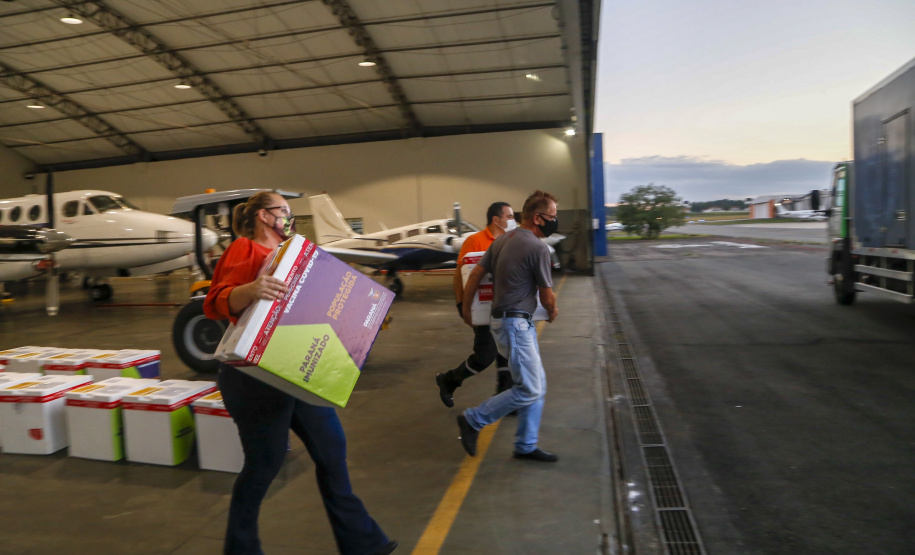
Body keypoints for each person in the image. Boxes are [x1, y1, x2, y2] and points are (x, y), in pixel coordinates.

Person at [203, 191, 396, 555]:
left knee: (332, 450)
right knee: (264, 465)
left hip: (295, 371)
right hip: (255, 379)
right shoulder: (247, 249)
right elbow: (216, 302)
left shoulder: (296, 256)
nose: (289, 217)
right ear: (263, 215)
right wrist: (251, 289)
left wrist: (363, 316)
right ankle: (240, 549)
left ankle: (362, 542)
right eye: (284, 211)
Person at [456, 190, 560, 463]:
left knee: (537, 384)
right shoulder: (538, 248)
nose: (554, 221)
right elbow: (547, 295)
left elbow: (475, 273)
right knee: (529, 389)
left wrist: (467, 309)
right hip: (516, 325)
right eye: (552, 216)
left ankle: (525, 445)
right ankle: (473, 419)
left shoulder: (502, 240)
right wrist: (553, 311)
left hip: (502, 322)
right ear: (538, 218)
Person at [435, 202, 515, 408]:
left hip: (504, 307)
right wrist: (462, 304)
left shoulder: (511, 241)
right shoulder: (475, 241)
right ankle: (449, 380)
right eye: (509, 216)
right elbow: (460, 276)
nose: (512, 220)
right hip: (481, 307)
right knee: (485, 356)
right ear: (496, 219)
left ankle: (504, 397)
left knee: (507, 351)